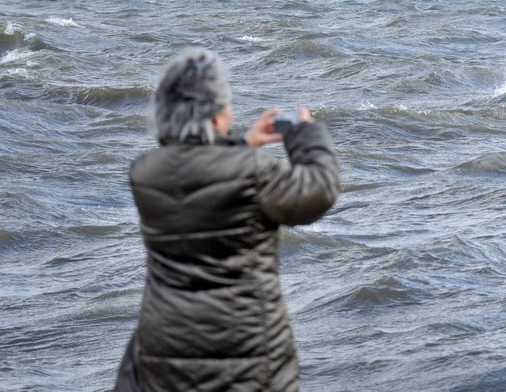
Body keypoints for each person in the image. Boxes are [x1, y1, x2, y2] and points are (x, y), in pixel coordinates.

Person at [115, 47, 341, 392]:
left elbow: (204, 176)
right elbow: (318, 190)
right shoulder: (253, 172)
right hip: (244, 351)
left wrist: (242, 143)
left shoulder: (145, 172)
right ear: (218, 115)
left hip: (163, 346)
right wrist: (306, 135)